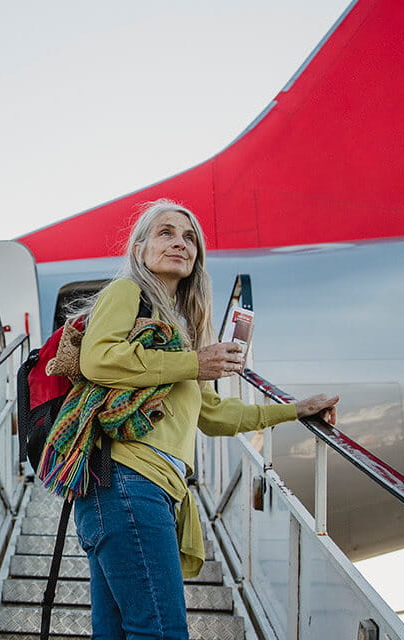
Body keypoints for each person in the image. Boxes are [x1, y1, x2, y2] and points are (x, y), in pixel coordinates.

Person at [69, 199, 338, 640]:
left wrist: (294, 409)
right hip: (127, 481)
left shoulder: (179, 329)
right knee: (161, 630)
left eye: (190, 237)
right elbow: (98, 359)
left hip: (136, 490)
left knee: (120, 634)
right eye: (166, 233)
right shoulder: (127, 293)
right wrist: (194, 363)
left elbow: (213, 415)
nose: (180, 242)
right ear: (139, 250)